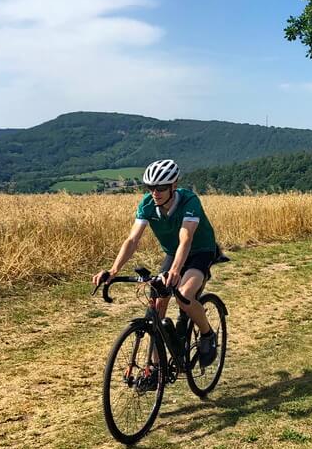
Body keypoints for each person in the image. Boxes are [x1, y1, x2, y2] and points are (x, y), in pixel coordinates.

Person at [92, 159, 221, 378]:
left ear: (173, 185)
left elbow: (186, 238)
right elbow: (132, 240)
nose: (155, 192)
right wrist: (113, 270)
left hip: (200, 251)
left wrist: (175, 271)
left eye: (161, 187)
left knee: (184, 294)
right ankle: (154, 367)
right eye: (150, 187)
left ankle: (208, 335)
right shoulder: (148, 204)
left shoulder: (189, 201)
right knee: (157, 304)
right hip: (174, 252)